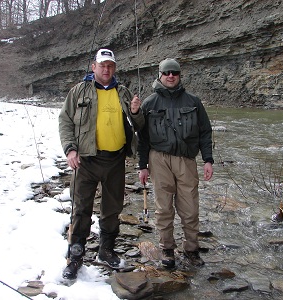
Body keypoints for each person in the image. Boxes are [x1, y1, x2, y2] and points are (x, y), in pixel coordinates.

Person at [58, 48, 144, 280]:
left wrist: (136, 112)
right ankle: (75, 255)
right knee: (81, 208)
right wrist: (70, 149)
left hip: (115, 160)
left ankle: (106, 250)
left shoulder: (123, 92)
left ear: (114, 68)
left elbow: (139, 124)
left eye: (110, 66)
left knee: (112, 209)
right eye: (102, 65)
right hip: (85, 160)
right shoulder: (78, 91)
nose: (106, 69)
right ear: (94, 67)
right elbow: (65, 120)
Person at [138, 58, 214, 268]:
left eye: (175, 72)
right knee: (163, 208)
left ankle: (191, 249)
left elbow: (205, 132)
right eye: (166, 73)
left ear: (180, 75)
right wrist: (142, 166)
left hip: (187, 161)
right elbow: (142, 138)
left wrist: (208, 159)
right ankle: (167, 249)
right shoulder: (149, 103)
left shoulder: (194, 102)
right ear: (159, 76)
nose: (170, 76)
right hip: (158, 160)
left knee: (190, 208)